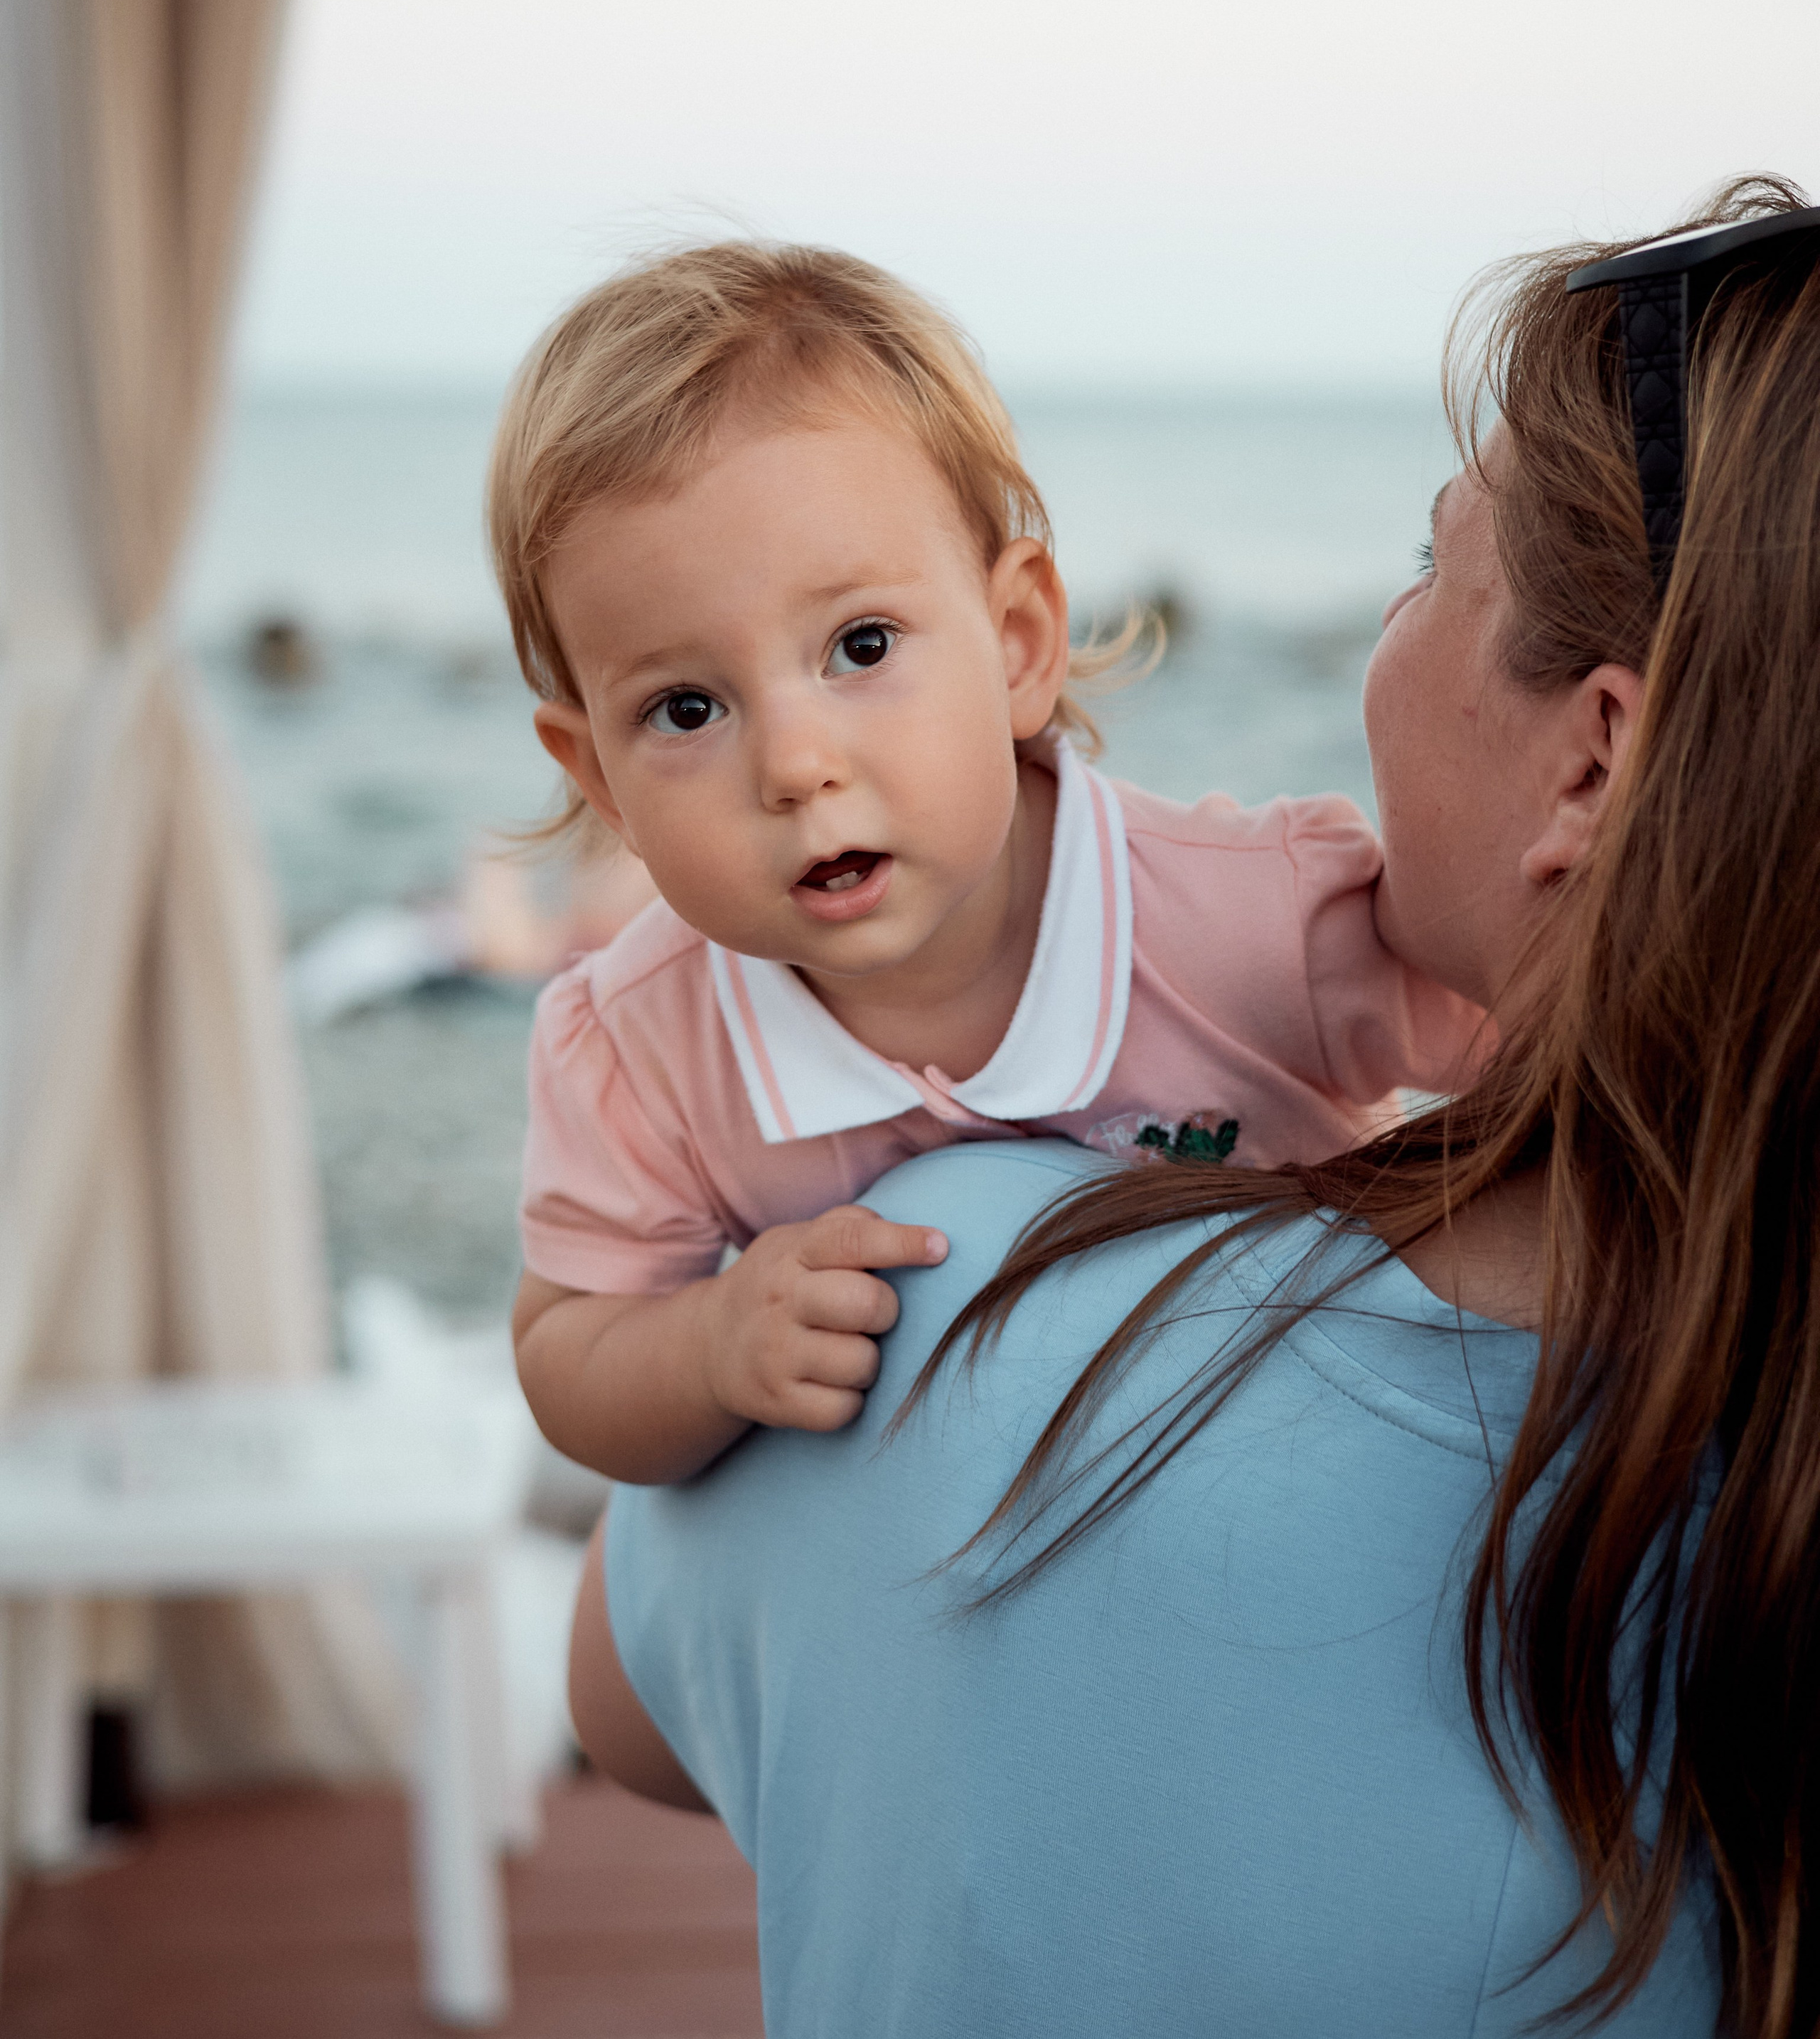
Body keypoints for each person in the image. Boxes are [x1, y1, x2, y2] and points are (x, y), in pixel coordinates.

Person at [574, 178, 1820, 2037]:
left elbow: (621, 1705)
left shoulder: (971, 1302)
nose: (1381, 657)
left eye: (1429, 567)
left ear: (1601, 754)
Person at [488, 242, 1480, 1485]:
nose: (795, 764)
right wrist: (706, 1345)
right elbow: (568, 1344)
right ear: (600, 783)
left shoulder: (1257, 917)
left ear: (1016, 644)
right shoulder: (643, 1045)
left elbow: (1571, 1042)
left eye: (859, 644)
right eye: (687, 710)